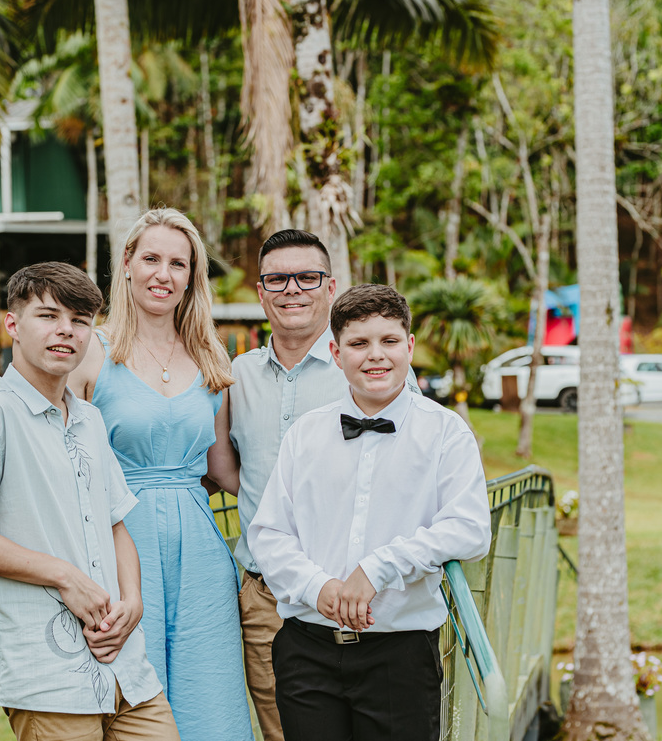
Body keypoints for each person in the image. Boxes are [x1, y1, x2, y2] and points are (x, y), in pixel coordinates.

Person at [0, 262, 179, 741]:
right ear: (12, 324)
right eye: (48, 316)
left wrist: (133, 601)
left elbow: (115, 523)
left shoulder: (89, 419)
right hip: (47, 674)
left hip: (126, 666)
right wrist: (65, 576)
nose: (66, 330)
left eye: (80, 320)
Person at [247, 284, 492, 741]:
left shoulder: (446, 433)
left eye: (389, 341)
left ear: (409, 347)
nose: (375, 355)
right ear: (336, 354)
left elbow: (469, 528)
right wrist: (317, 587)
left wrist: (379, 567)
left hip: (399, 656)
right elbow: (269, 533)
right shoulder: (305, 434)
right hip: (306, 650)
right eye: (359, 343)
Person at [210, 229, 418, 741]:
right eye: (277, 279)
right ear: (261, 292)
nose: (292, 289)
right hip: (267, 594)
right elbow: (228, 471)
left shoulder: (370, 367)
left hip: (357, 596)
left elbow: (413, 472)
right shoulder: (238, 375)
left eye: (307, 277)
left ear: (330, 287)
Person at [70, 208, 253, 741]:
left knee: (210, 698)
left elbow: (223, 468)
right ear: (127, 263)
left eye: (179, 264)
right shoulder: (92, 351)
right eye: (151, 258)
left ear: (192, 276)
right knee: (133, 695)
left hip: (200, 549)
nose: (163, 274)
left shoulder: (210, 354)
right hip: (122, 544)